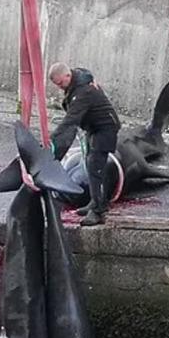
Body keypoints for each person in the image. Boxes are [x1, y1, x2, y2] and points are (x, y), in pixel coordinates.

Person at [48, 62, 121, 226]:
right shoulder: (79, 78)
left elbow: (71, 120)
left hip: (105, 129)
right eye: (56, 85)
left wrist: (52, 139)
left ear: (68, 76)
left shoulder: (83, 92)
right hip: (93, 128)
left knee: (96, 167)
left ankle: (99, 211)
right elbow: (85, 72)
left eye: (61, 83)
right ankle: (94, 202)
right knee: (88, 163)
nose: (60, 87)